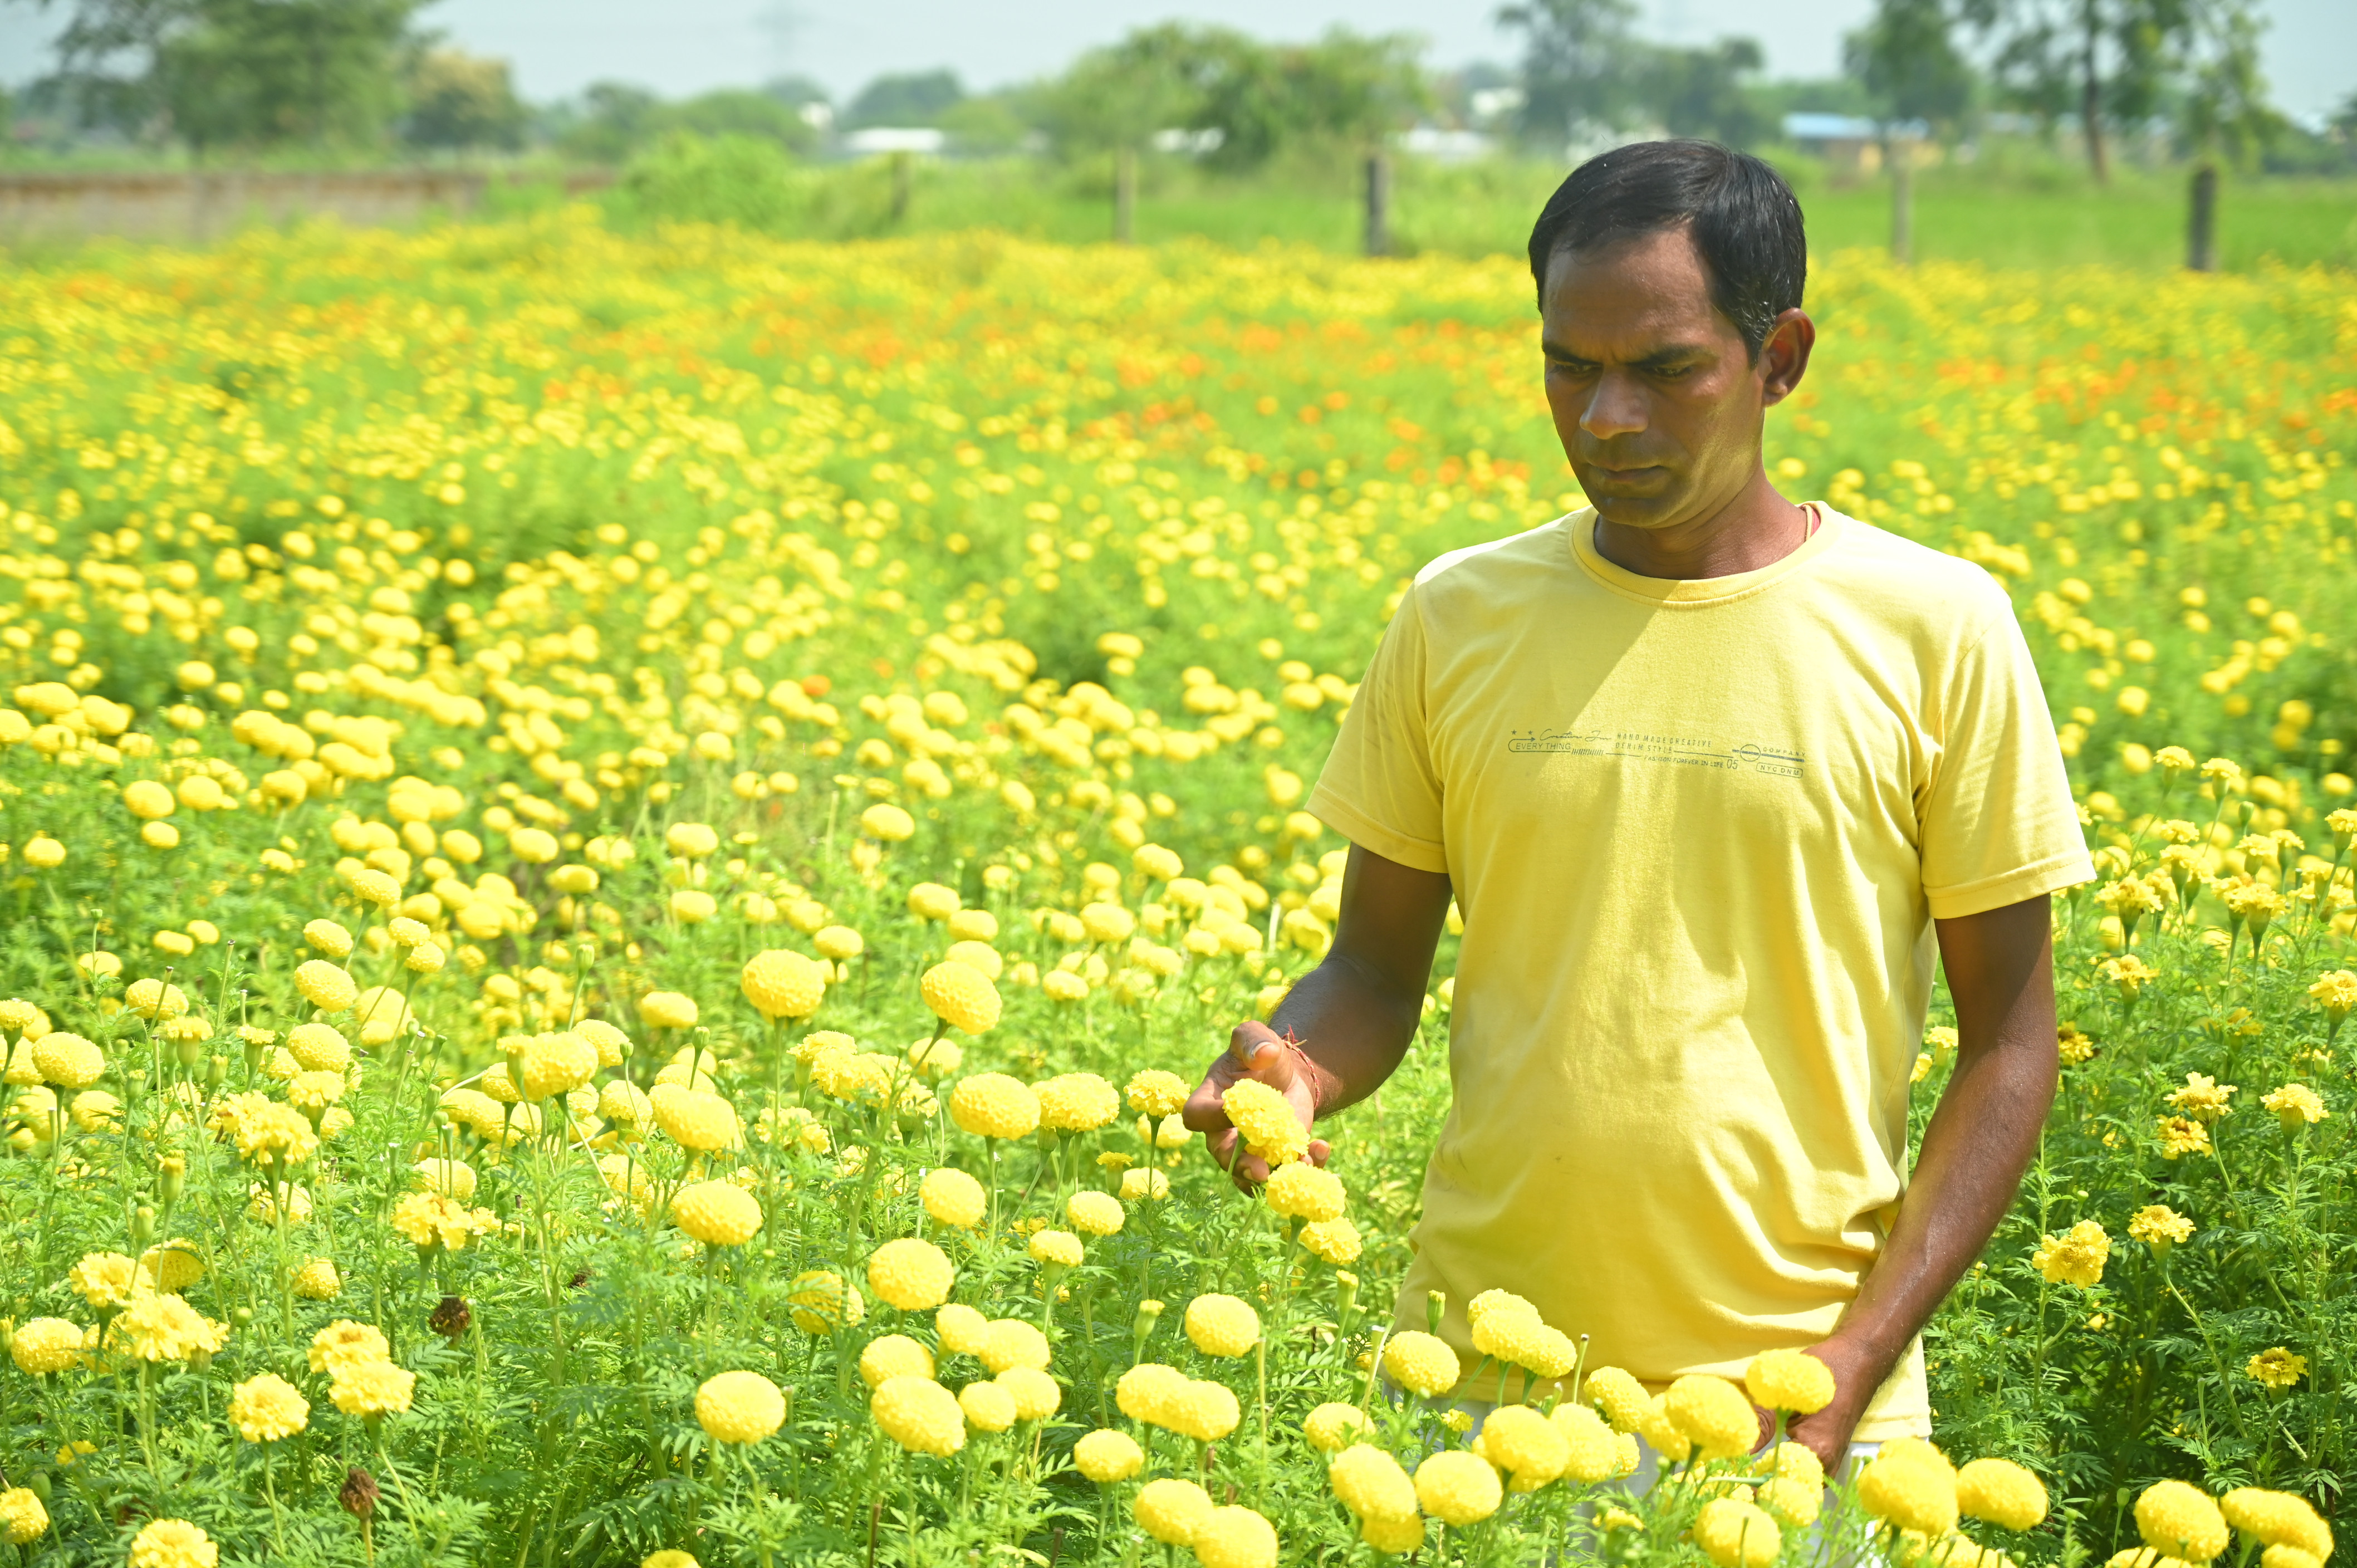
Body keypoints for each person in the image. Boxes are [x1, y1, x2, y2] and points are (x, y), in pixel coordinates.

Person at [1183, 140, 2092, 1474]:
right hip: (1474, 1391)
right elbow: (1373, 966)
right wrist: (1297, 1071)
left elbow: (2008, 1046)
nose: (1606, 417)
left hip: (1793, 1411)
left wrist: (1856, 1360)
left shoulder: (1934, 626)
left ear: (1778, 357)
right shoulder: (1455, 614)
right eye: (1569, 365)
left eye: (1666, 369)